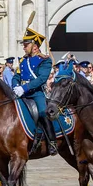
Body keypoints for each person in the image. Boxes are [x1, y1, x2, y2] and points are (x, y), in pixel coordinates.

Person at [11, 26, 57, 156]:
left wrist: (24, 88)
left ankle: (52, 141)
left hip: (36, 93)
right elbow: (16, 76)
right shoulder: (23, 60)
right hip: (21, 93)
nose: (24, 47)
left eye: (26, 44)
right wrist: (16, 86)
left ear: (35, 46)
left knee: (43, 112)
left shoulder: (45, 60)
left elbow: (42, 78)